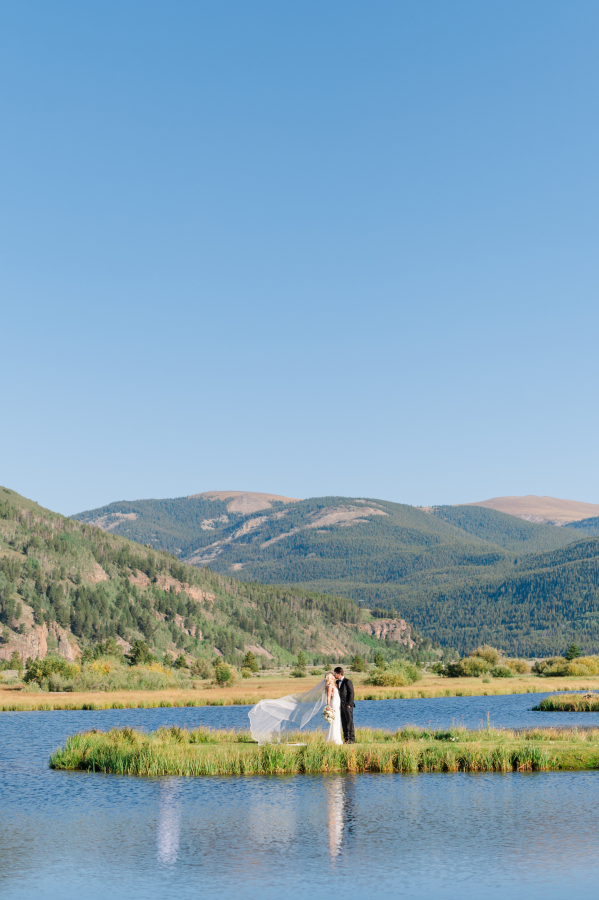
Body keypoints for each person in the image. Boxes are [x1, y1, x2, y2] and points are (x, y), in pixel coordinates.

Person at [334, 666, 355, 743]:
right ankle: (346, 738)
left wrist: (349, 704)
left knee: (349, 722)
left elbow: (351, 693)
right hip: (340, 706)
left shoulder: (347, 681)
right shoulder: (337, 682)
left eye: (335, 674)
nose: (334, 675)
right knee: (343, 722)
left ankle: (351, 739)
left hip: (347, 705)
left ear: (339, 674)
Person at [324, 672, 343, 745]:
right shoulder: (329, 686)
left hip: (338, 703)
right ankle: (334, 739)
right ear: (330, 677)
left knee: (338, 721)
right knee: (335, 721)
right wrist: (328, 706)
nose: (334, 675)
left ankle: (337, 738)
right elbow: (328, 696)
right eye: (332, 675)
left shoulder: (335, 685)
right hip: (334, 704)